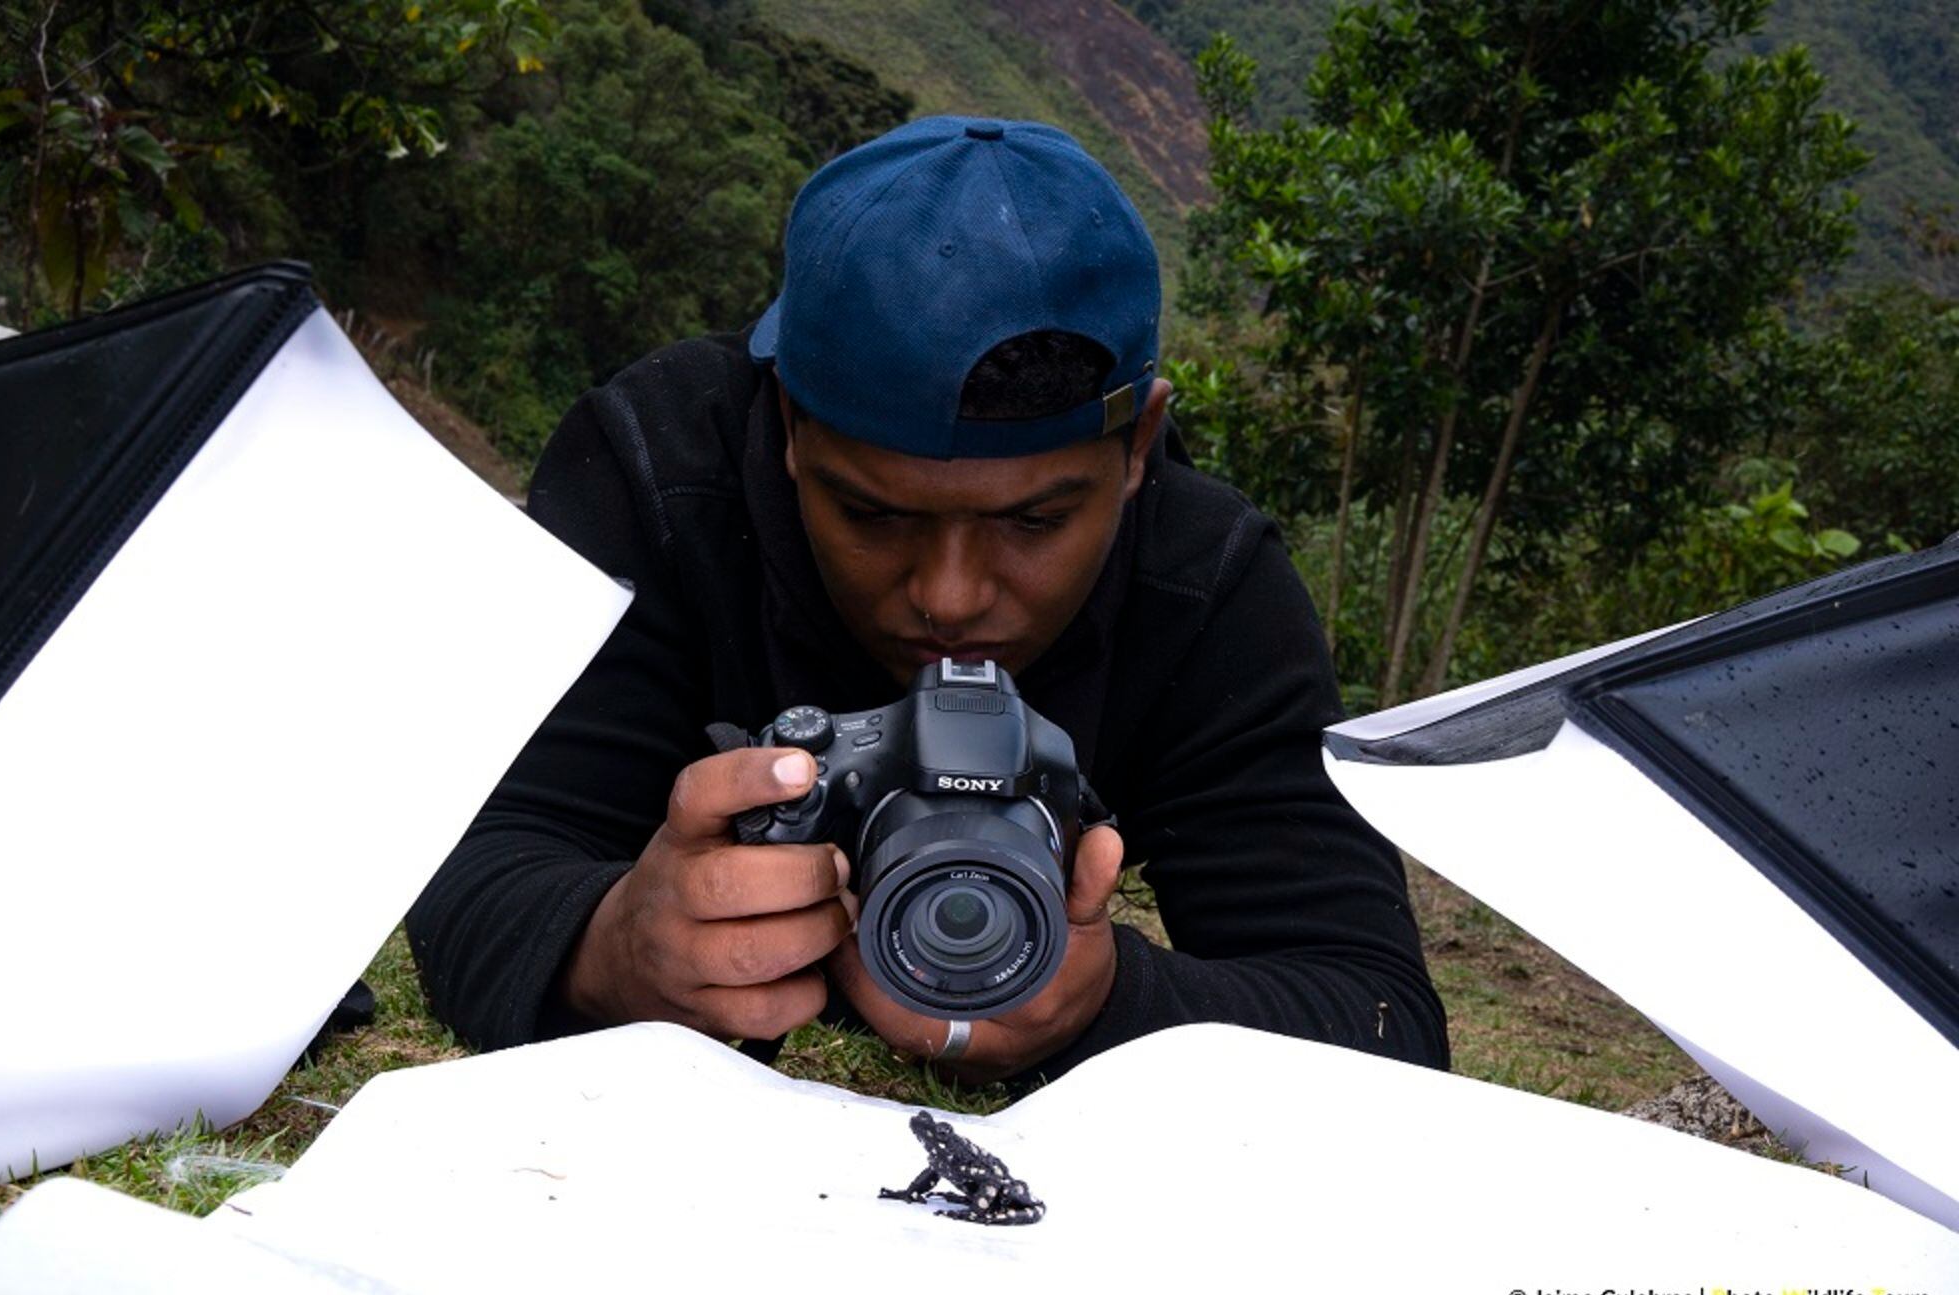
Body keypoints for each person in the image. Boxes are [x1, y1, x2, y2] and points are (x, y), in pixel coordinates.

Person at [409, 116, 1448, 1085]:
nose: (949, 599)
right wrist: (613, 945)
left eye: (1033, 522)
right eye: (872, 514)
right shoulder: (658, 474)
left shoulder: (1200, 577)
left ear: (1137, 451)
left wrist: (1109, 1004)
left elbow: (1378, 1017)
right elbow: (476, 872)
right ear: (784, 429)